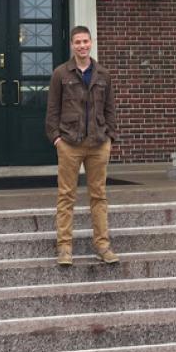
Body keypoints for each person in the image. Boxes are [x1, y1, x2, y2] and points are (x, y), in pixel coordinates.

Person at [45, 25, 119, 266]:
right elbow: (52, 110)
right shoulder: (61, 74)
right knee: (66, 196)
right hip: (69, 143)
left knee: (99, 196)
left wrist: (110, 136)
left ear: (91, 42)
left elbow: (110, 108)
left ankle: (102, 245)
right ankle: (65, 248)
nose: (82, 46)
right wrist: (56, 138)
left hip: (98, 143)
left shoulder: (103, 75)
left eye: (85, 41)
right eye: (78, 42)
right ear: (72, 46)